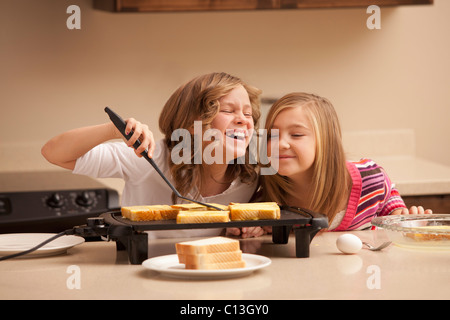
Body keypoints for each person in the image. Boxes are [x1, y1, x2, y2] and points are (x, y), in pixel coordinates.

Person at [41, 72, 266, 238]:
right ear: (190, 123)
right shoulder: (149, 158)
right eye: (227, 111)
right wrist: (114, 130)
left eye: (248, 113)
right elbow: (54, 153)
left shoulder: (249, 178)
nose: (243, 120)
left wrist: (252, 227)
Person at [260, 92, 432, 231]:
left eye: (296, 135)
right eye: (271, 135)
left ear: (326, 143)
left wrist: (398, 213)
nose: (279, 144)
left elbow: (387, 195)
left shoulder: (369, 179)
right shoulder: (262, 189)